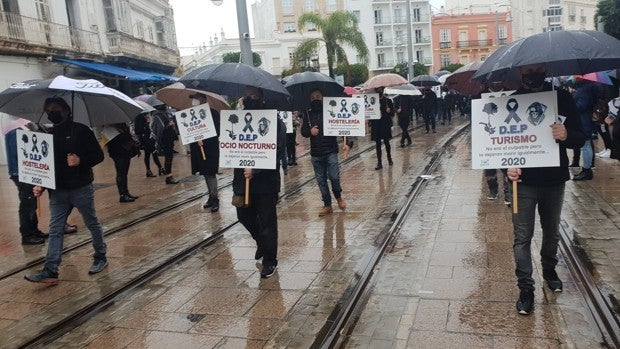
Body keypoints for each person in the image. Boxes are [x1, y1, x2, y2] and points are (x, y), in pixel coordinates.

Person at [506, 63, 585, 315]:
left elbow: (580, 136)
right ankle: (526, 288)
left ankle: (549, 268)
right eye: (528, 71)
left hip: (554, 180)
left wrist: (566, 135)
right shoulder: (512, 101)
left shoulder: (562, 97)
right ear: (521, 73)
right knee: (522, 237)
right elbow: (501, 144)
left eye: (538, 69)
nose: (533, 74)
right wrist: (507, 168)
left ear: (547, 69)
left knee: (551, 232)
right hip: (523, 182)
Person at [25, 97, 108, 284]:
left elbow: (98, 155)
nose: (51, 113)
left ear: (66, 110)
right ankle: (51, 270)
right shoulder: (49, 135)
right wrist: (41, 185)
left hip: (81, 188)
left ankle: (100, 255)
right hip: (59, 191)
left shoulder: (81, 130)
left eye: (55, 109)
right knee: (55, 229)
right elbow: (49, 166)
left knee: (91, 222)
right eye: (48, 110)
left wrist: (81, 160)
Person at [232, 86, 283, 278]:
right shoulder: (237, 118)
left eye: (253, 95)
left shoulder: (273, 119)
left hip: (266, 181)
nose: (249, 98)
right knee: (243, 214)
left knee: (268, 221)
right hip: (242, 179)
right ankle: (261, 241)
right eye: (246, 95)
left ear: (261, 97)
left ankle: (270, 261)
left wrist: (257, 169)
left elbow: (276, 150)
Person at [300, 89, 352, 217]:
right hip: (316, 153)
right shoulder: (308, 114)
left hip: (330, 151)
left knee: (334, 177)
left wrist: (348, 143)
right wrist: (309, 131)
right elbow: (303, 131)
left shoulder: (331, 111)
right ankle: (327, 205)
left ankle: (338, 197)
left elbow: (344, 126)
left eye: (318, 96)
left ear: (323, 98)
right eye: (313, 97)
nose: (315, 99)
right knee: (321, 181)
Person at [5, 121, 47, 245]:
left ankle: (34, 230)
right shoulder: (15, 132)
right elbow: (20, 153)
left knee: (31, 202)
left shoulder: (20, 130)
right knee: (27, 204)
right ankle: (27, 234)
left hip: (27, 172)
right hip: (21, 173)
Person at [188, 92, 220, 212]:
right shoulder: (192, 114)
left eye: (195, 99)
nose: (194, 102)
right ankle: (211, 197)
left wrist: (204, 140)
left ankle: (215, 198)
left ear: (202, 100)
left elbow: (217, 131)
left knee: (211, 174)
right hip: (198, 150)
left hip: (210, 149)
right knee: (205, 173)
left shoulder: (213, 113)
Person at [102, 123, 140, 203]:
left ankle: (126, 192)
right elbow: (115, 139)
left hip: (126, 151)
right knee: (120, 173)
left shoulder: (121, 125)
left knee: (124, 173)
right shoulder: (108, 127)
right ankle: (122, 195)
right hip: (118, 153)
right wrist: (126, 134)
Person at [571, 76, 599, 180]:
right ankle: (586, 169)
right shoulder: (586, 88)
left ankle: (587, 170)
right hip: (584, 120)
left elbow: (581, 106)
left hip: (584, 121)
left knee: (586, 145)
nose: (574, 77)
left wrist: (572, 98)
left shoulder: (584, 90)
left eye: (575, 76)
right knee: (586, 144)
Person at [150, 100, 179, 184]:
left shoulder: (167, 113)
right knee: (168, 158)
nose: (165, 105)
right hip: (164, 141)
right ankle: (168, 177)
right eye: (162, 104)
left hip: (170, 139)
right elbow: (158, 130)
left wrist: (172, 124)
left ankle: (169, 176)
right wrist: (168, 126)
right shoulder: (157, 116)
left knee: (169, 158)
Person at [133, 110, 163, 178]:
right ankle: (157, 169)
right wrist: (146, 125)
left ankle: (153, 170)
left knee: (150, 153)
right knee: (151, 153)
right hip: (145, 139)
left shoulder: (145, 116)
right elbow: (137, 131)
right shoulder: (138, 117)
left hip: (149, 138)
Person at [370, 87, 394, 170]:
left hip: (385, 124)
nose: (379, 91)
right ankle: (379, 162)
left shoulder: (388, 101)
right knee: (377, 144)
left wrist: (389, 111)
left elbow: (392, 113)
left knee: (387, 142)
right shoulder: (373, 101)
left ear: (383, 90)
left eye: (380, 90)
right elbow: (369, 112)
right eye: (377, 90)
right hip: (376, 124)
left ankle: (389, 158)